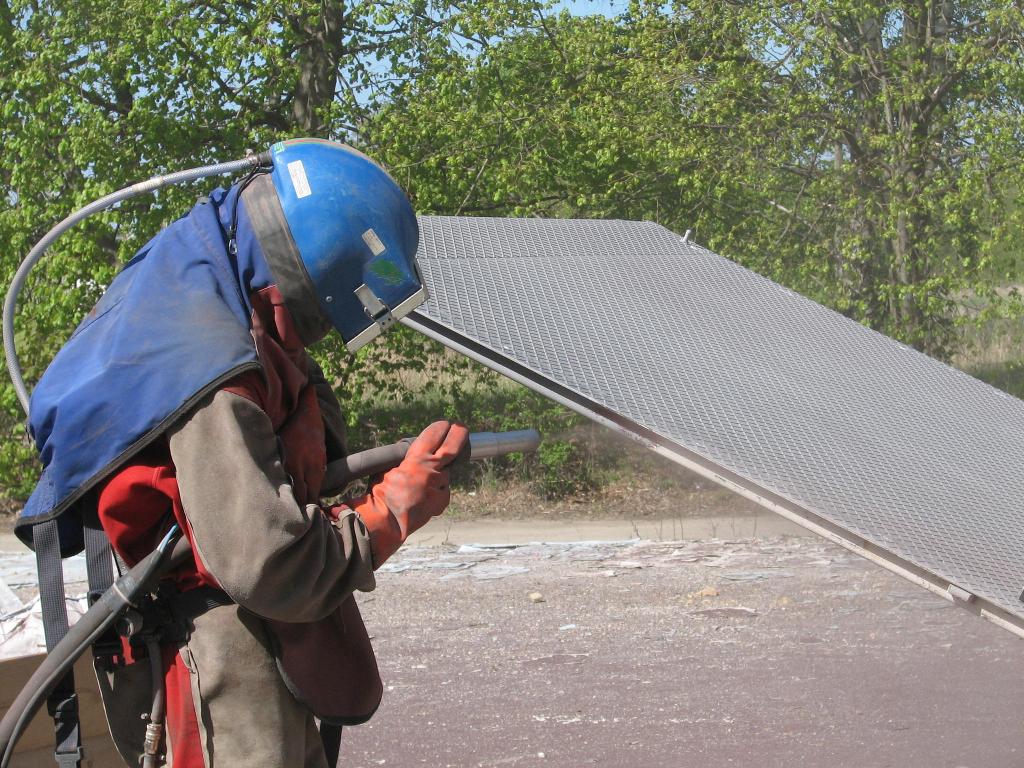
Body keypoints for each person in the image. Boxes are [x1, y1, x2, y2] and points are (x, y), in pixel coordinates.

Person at [17, 138, 467, 766]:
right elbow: (270, 567)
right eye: (316, 318)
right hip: (218, 648)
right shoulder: (213, 371)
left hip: (226, 620)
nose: (320, 339)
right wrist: (391, 511)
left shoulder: (217, 266)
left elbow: (293, 431)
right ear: (298, 284)